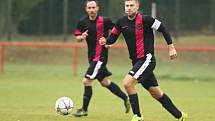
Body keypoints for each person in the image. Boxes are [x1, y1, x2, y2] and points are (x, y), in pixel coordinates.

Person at [99, 0, 188, 121]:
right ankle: (181, 116)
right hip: (137, 62)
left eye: (132, 5)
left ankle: (138, 117)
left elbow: (163, 28)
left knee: (127, 83)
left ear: (137, 7)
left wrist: (171, 47)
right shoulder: (121, 22)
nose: (129, 8)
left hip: (147, 59)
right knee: (156, 93)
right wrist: (105, 41)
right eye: (127, 6)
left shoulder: (146, 20)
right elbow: (112, 38)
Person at [73, 0, 130, 117]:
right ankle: (125, 98)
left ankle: (84, 110)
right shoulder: (82, 22)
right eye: (89, 8)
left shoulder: (105, 21)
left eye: (93, 7)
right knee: (104, 82)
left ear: (97, 8)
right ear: (86, 9)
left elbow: (117, 30)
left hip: (100, 57)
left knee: (87, 81)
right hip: (92, 57)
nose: (91, 10)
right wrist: (82, 37)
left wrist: (109, 41)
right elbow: (77, 37)